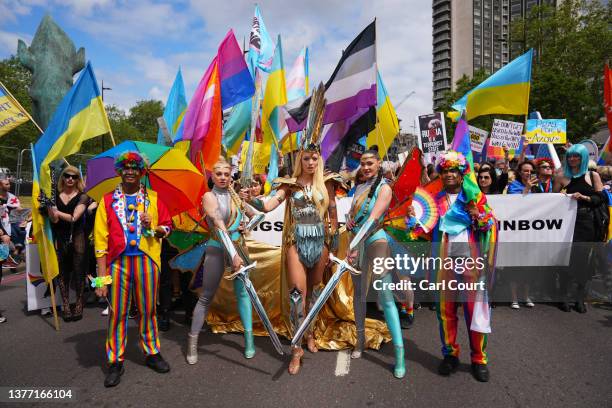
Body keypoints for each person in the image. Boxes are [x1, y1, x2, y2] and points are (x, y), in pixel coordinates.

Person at [240, 138, 341, 375]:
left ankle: (310, 333)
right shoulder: (290, 185)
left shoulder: (327, 183)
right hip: (296, 244)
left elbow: (333, 217)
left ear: (319, 159)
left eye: (314, 158)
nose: (310, 162)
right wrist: (250, 199)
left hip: (320, 244)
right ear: (300, 161)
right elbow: (268, 206)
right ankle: (296, 348)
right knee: (297, 294)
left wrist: (333, 248)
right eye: (306, 158)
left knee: (315, 294)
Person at [94, 151, 172, 387]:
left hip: (147, 262)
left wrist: (154, 226)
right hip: (118, 265)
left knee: (148, 310)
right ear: (119, 170)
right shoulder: (106, 200)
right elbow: (99, 243)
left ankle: (151, 352)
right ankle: (115, 360)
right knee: (117, 313)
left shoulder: (154, 199)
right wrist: (101, 281)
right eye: (125, 167)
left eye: (134, 167)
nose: (129, 171)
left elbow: (167, 228)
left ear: (141, 172)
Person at [430, 150, 497, 382]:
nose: (449, 174)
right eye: (445, 170)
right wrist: (413, 219)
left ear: (461, 175)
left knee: (473, 311)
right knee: (446, 312)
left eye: (453, 171)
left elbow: (490, 222)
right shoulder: (434, 200)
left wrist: (478, 216)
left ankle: (479, 358)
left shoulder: (474, 197)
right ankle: (450, 354)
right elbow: (422, 228)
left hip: (471, 261)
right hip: (444, 261)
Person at [186, 158, 259, 365]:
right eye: (219, 174)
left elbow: (257, 214)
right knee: (206, 295)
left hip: (238, 247)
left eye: (227, 174)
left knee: (243, 293)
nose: (223, 177)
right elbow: (218, 223)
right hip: (218, 247)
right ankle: (192, 342)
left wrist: (247, 226)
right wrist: (233, 254)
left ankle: (249, 340)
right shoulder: (209, 196)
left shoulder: (236, 196)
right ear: (212, 176)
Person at [345, 146, 406, 379]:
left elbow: (372, 219)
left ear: (379, 164)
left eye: (371, 163)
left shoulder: (384, 188)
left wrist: (353, 245)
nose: (367, 167)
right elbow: (355, 216)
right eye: (363, 163)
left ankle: (400, 355)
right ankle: (360, 342)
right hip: (356, 242)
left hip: (375, 241)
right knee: (359, 294)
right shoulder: (359, 187)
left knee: (385, 294)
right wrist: (349, 222)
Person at [554, 144, 604, 313]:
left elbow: (601, 198)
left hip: (587, 221)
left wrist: (584, 198)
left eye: (576, 156)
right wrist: (560, 197)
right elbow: (551, 200)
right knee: (567, 258)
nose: (572, 159)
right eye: (570, 156)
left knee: (584, 260)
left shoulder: (592, 175)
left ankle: (580, 297)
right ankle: (563, 295)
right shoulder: (561, 175)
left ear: (583, 158)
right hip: (567, 222)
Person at [48, 166, 89, 322]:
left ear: (78, 179)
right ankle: (65, 304)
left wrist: (56, 211)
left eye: (74, 176)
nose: (70, 178)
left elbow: (74, 217)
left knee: (78, 272)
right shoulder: (55, 196)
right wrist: (50, 208)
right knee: (62, 273)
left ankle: (79, 303)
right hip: (60, 236)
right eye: (67, 175)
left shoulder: (83, 196)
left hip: (77, 236)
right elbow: (55, 220)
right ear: (63, 178)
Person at [0, 174, 22, 268]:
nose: (9, 185)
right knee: (6, 238)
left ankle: (13, 255)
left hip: (6, 223)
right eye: (6, 184)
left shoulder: (11, 197)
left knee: (22, 230)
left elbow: (18, 209)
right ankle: (4, 259)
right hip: (2, 225)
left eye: (9, 184)